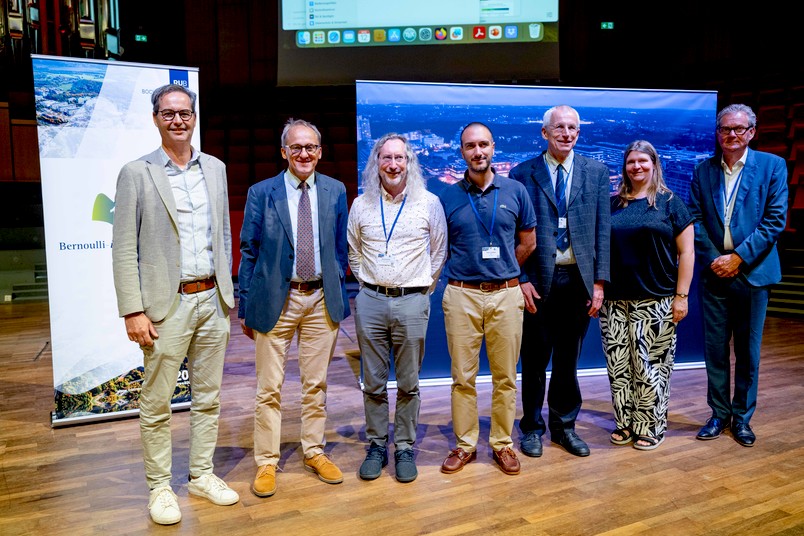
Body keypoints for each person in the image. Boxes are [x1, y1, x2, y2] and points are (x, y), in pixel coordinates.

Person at [112, 83, 239, 525]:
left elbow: (220, 234)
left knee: (208, 397)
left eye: (184, 113)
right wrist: (133, 309)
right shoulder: (137, 172)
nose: (178, 121)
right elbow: (124, 247)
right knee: (157, 401)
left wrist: (227, 292)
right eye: (168, 114)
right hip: (167, 307)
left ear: (195, 116)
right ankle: (160, 487)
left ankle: (201, 474)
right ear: (155, 119)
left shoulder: (217, 169)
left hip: (212, 300)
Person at [238, 118, 350, 496]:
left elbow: (339, 248)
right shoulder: (261, 192)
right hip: (275, 300)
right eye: (297, 148)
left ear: (320, 152)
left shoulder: (336, 191)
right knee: (269, 387)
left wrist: (332, 279)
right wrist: (245, 305)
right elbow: (249, 251)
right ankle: (266, 461)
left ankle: (313, 451)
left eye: (311, 148)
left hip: (321, 298)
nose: (305, 154)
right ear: (284, 151)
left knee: (315, 384)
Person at [509, 104, 610, 458]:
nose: (566, 133)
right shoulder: (522, 174)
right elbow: (512, 236)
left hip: (579, 282)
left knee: (569, 361)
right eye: (559, 127)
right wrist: (519, 279)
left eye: (573, 128)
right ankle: (532, 428)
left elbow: (602, 231)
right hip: (536, 281)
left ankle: (565, 427)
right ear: (544, 133)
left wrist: (600, 283)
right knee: (534, 361)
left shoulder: (596, 172)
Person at [347, 133, 447, 483]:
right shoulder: (361, 204)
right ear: (376, 163)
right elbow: (354, 253)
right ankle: (376, 445)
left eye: (399, 158)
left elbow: (438, 253)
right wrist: (371, 285)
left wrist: (419, 289)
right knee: (372, 382)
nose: (392, 165)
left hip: (412, 301)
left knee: (409, 382)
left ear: (409, 163)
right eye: (386, 158)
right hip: (371, 301)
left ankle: (404, 446)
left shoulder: (429, 203)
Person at [438, 122, 536, 476]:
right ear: (461, 151)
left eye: (483, 145)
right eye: (470, 146)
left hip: (507, 296)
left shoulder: (515, 191)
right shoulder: (447, 196)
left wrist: (507, 271)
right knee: (462, 377)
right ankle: (465, 445)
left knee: (505, 377)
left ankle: (502, 443)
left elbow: (529, 242)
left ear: (493, 147)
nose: (477, 152)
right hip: (461, 294)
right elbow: (440, 247)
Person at [689, 104, 788, 447]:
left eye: (738, 129)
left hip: (753, 274)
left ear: (751, 132)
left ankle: (742, 418)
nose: (731, 134)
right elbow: (696, 219)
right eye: (725, 129)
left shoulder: (773, 167)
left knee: (748, 352)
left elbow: (775, 220)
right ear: (718, 134)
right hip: (715, 274)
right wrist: (718, 259)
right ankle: (718, 415)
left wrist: (739, 258)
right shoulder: (703, 170)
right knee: (715, 351)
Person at [599, 140, 694, 451]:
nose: (636, 167)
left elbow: (687, 252)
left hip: (655, 299)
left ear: (654, 164)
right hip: (615, 301)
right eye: (631, 162)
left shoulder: (670, 203)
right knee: (619, 366)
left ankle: (651, 425)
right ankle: (625, 423)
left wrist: (681, 296)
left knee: (650, 365)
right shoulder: (613, 204)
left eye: (642, 161)